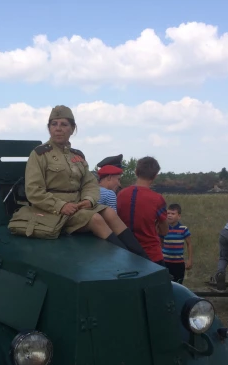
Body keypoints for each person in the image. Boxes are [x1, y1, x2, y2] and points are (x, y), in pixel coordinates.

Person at [8, 105, 147, 258]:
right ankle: (127, 261)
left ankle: (143, 258)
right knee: (96, 219)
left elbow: (89, 183)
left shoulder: (77, 156)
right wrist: (61, 206)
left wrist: (89, 200)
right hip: (52, 211)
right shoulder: (40, 154)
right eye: (54, 124)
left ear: (72, 129)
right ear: (49, 128)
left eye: (64, 124)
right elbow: (34, 191)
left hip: (78, 207)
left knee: (110, 213)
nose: (58, 128)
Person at [116, 156, 169, 265]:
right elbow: (164, 231)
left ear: (136, 171)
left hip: (125, 252)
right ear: (155, 176)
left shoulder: (121, 194)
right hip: (151, 255)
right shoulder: (157, 199)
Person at [162, 203, 193, 284]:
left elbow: (189, 244)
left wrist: (189, 260)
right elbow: (159, 243)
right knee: (166, 284)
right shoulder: (163, 228)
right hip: (165, 262)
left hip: (178, 264)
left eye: (173, 214)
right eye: (168, 213)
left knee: (178, 284)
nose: (169, 216)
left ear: (179, 216)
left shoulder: (183, 229)